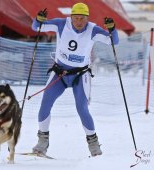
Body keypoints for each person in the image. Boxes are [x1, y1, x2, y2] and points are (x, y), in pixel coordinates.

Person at [31, 2, 119, 156]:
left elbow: (114, 41)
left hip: (80, 75)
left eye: (82, 19)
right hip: (59, 73)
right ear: (71, 17)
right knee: (45, 104)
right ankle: (42, 143)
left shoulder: (93, 30)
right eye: (76, 18)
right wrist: (38, 19)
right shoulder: (61, 24)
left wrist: (112, 29)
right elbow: (36, 27)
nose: (79, 22)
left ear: (87, 18)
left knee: (82, 108)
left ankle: (94, 147)